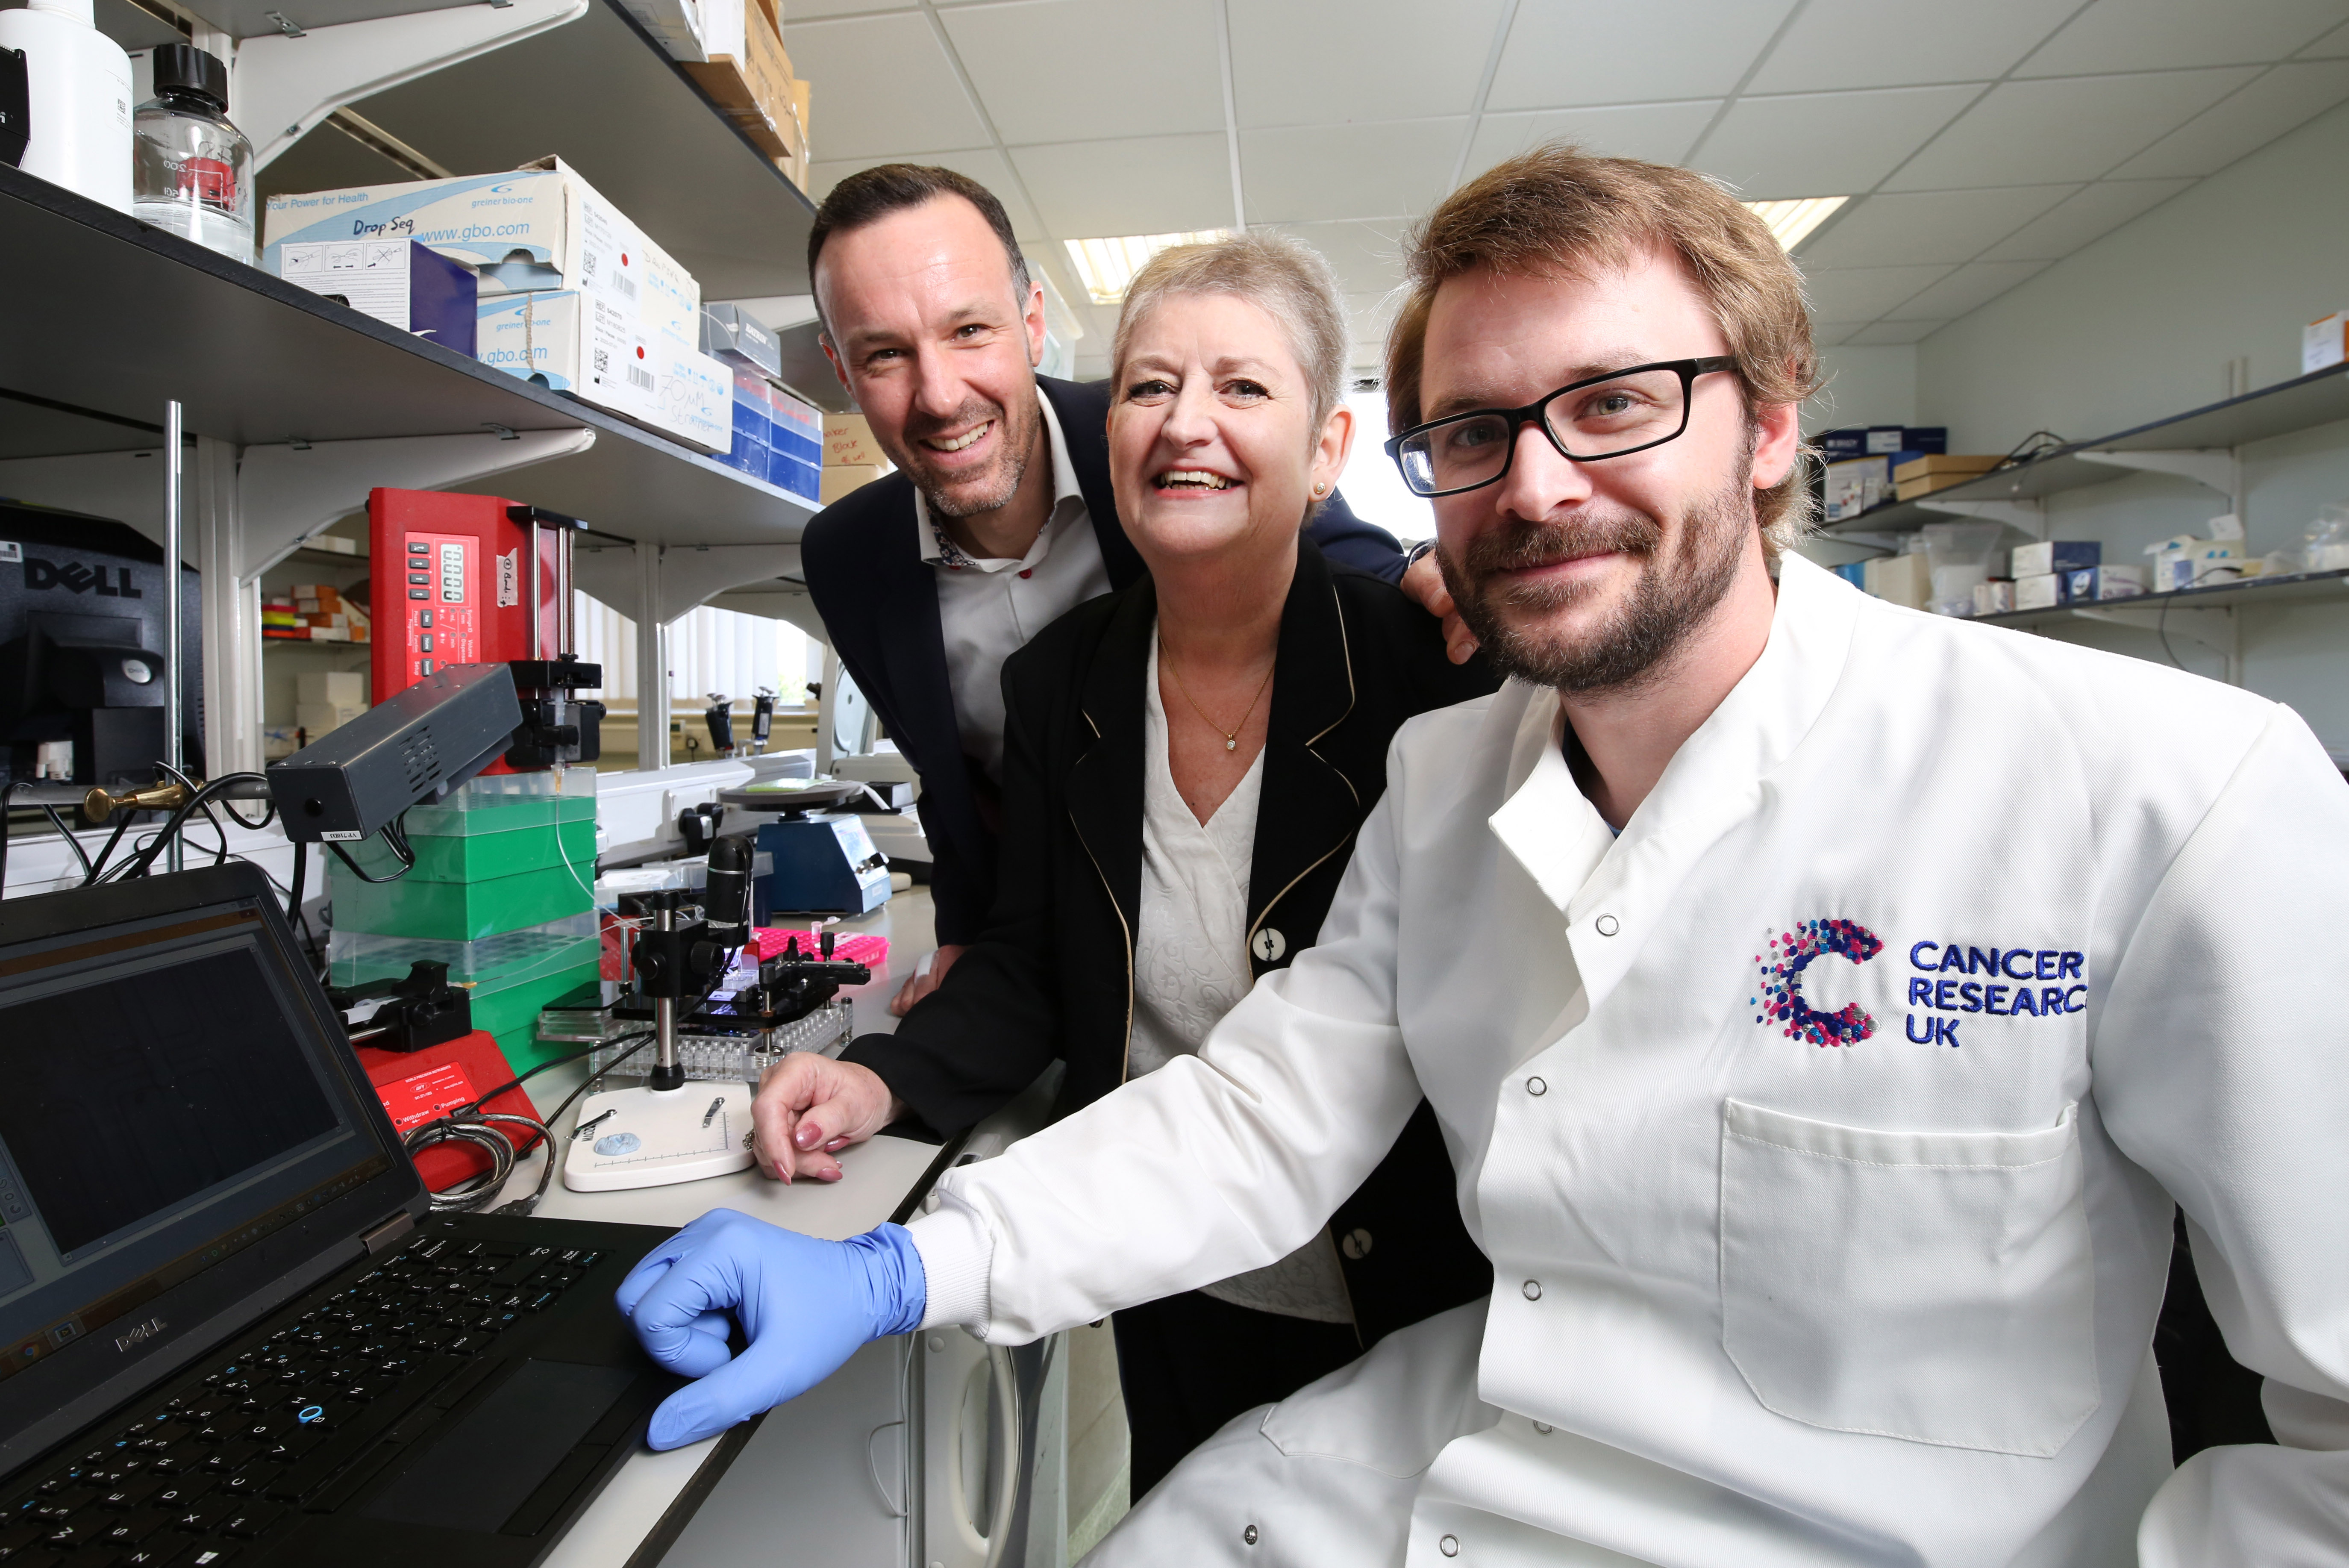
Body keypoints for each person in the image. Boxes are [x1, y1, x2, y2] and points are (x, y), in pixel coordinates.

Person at [617, 145, 2349, 1567]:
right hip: (1441, 1475)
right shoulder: (1450, 781)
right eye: (1479, 428)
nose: (1535, 484)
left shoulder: (2161, 789)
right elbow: (1257, 1109)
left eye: (1616, 403)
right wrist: (906, 1263)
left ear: (1765, 425)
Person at [756, 232, 1496, 1494]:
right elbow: (1037, 957)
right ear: (1109, 437)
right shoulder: (1064, 682)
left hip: (1415, 1289)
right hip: (1172, 1271)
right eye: (1150, 387)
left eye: (1243, 388)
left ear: (1328, 451)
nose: (1184, 423)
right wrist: (879, 1079)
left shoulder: (1434, 671)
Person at [798, 165, 1470, 1015]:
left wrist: (1437, 571)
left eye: (969, 329)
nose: (938, 395)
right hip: (1051, 952)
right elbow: (952, 781)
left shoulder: (1149, 442)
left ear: (1032, 320)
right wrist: (975, 947)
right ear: (840, 367)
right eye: (885, 353)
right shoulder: (846, 555)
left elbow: (1317, 546)